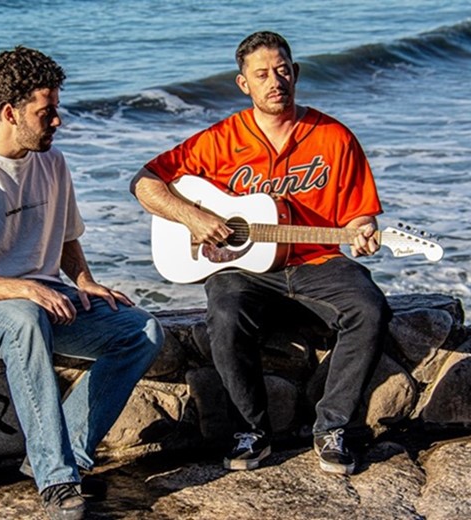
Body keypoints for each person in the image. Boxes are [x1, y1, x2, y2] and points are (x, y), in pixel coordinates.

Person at [130, 30, 391, 476]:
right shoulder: (219, 141)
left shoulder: (334, 138)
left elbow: (358, 218)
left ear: (297, 73)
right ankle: (250, 429)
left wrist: (364, 232)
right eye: (263, 74)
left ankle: (332, 426)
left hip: (318, 262)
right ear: (243, 83)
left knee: (370, 309)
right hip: (245, 272)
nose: (276, 81)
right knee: (225, 315)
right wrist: (193, 218)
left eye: (284, 70)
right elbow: (146, 182)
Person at [0, 46, 164, 520]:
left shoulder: (51, 162)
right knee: (25, 319)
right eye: (47, 111)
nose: (57, 121)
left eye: (57, 109)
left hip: (42, 298)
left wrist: (84, 280)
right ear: (10, 112)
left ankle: (70, 456)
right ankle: (55, 481)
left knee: (142, 332)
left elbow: (66, 238)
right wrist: (26, 289)